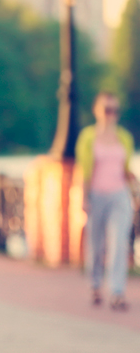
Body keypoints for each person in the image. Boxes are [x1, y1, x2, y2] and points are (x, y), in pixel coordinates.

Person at [75, 91, 137, 311]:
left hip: (120, 195)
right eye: (107, 110)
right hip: (97, 195)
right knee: (96, 244)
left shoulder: (125, 138)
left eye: (115, 110)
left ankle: (117, 292)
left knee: (118, 243)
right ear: (97, 111)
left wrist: (134, 185)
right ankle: (95, 284)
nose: (111, 115)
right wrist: (84, 197)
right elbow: (84, 171)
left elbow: (125, 167)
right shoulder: (87, 138)